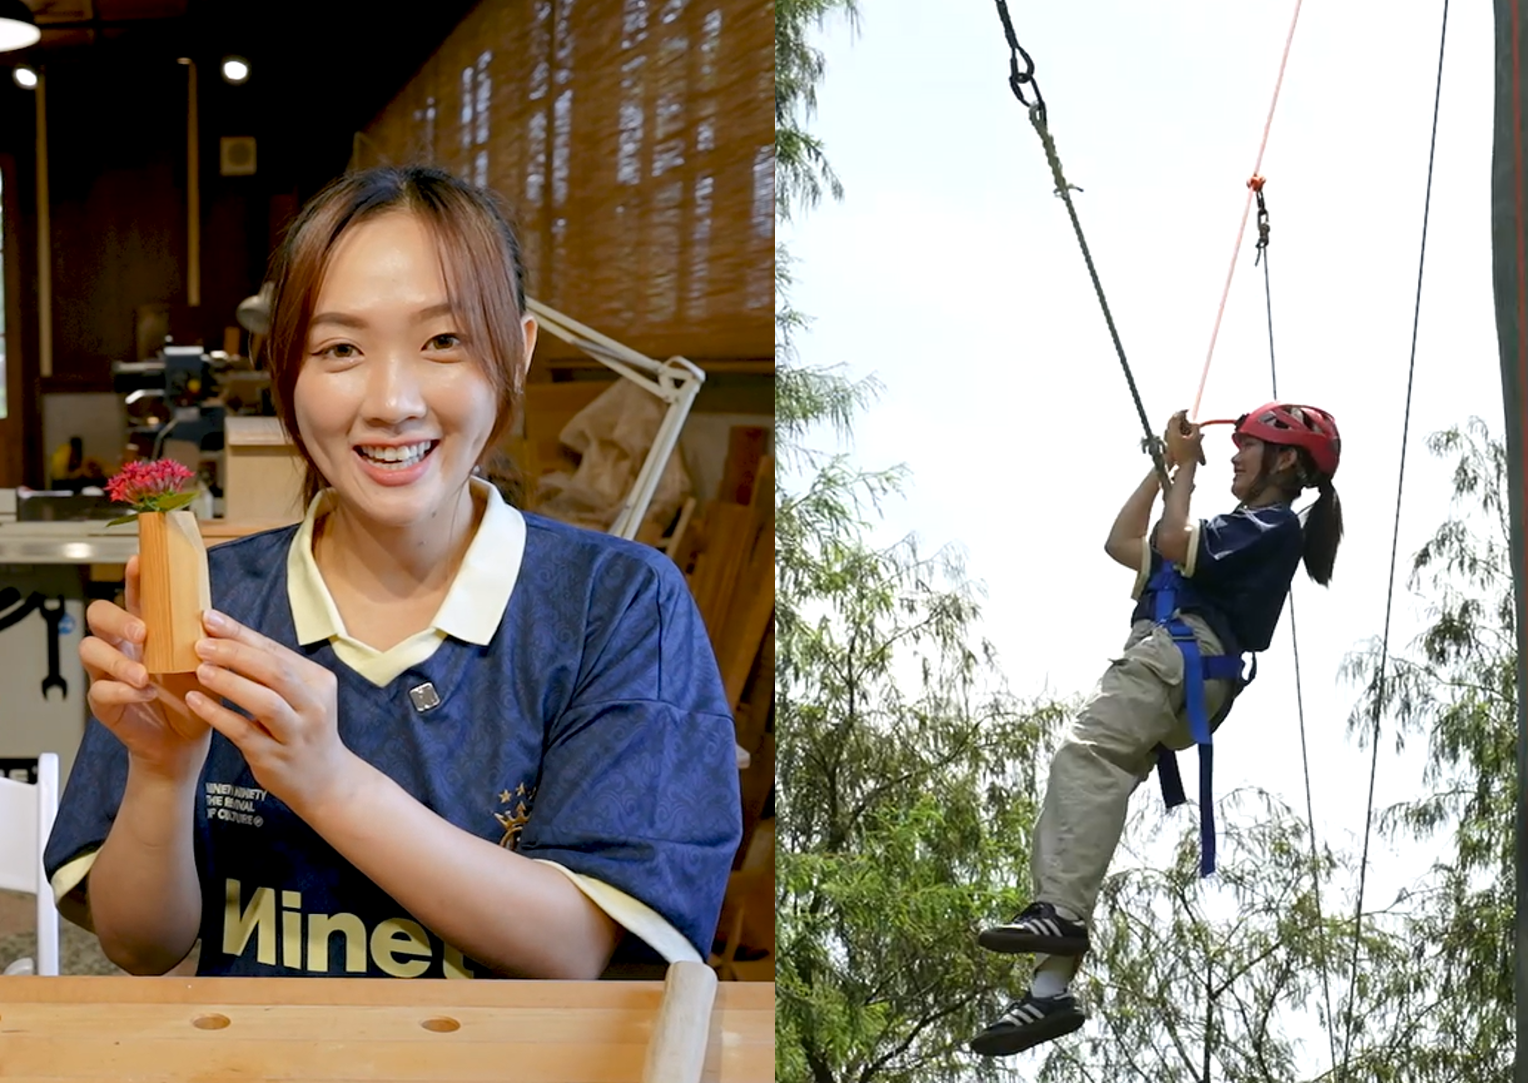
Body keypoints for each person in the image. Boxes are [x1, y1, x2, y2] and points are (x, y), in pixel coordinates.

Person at [43, 165, 742, 981]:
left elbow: (576, 947)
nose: (391, 400)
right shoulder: (213, 603)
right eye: (340, 348)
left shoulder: (617, 606)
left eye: (443, 341)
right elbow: (139, 944)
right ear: (287, 370)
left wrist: (330, 781)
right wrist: (164, 772)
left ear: (516, 353)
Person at [969, 402, 1344, 1057]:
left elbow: (1172, 539)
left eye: (1248, 446)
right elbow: (1121, 541)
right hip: (1182, 661)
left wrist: (1186, 474)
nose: (1235, 455)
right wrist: (1169, 468)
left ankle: (1055, 916)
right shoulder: (1229, 539)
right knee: (1095, 781)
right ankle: (1050, 986)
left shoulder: (1269, 524)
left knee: (1084, 758)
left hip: (1179, 654)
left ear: (1285, 460)